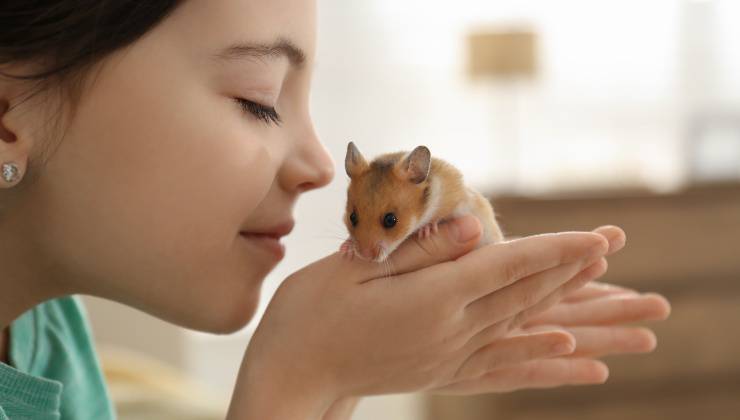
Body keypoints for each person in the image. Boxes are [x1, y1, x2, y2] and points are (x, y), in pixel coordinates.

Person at [0, 1, 670, 419]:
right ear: (7, 117)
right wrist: (291, 376)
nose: (323, 166)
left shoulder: (49, 336)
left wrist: (344, 373)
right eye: (259, 99)